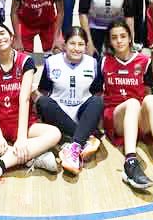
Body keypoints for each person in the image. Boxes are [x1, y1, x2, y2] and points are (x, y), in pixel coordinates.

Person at [0, 23, 61, 184]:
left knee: (55, 133)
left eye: (2, 33)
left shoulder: (26, 61)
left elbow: (25, 100)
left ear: (11, 36)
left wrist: (21, 138)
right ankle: (31, 158)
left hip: (21, 121)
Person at [100, 20, 153, 189]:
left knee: (152, 99)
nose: (119, 40)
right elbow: (97, 94)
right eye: (114, 37)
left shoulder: (144, 61)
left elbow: (148, 91)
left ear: (130, 38)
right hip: (116, 116)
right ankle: (130, 162)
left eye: (123, 36)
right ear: (109, 41)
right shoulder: (104, 62)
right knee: (133, 103)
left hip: (138, 116)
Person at [35, 27, 103, 175]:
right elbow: (43, 91)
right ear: (64, 44)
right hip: (58, 114)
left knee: (97, 101)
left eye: (81, 44)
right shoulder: (52, 62)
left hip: (82, 114)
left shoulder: (92, 63)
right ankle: (85, 139)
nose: (76, 48)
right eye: (72, 43)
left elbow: (98, 92)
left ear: (86, 46)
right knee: (43, 102)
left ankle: (74, 145)